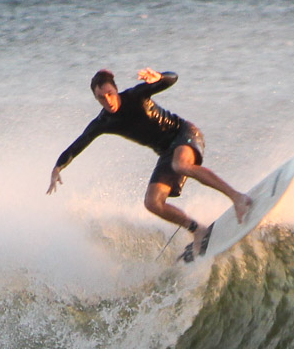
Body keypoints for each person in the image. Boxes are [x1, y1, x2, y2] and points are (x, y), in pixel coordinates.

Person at [47, 67, 251, 260]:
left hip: (184, 134)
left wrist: (160, 77)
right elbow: (78, 144)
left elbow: (172, 78)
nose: (107, 100)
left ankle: (238, 198)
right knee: (152, 203)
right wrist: (58, 167)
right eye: (101, 97)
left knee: (181, 165)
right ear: (96, 98)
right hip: (166, 153)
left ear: (115, 90)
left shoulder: (135, 96)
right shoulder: (103, 122)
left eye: (109, 93)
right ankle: (197, 230)